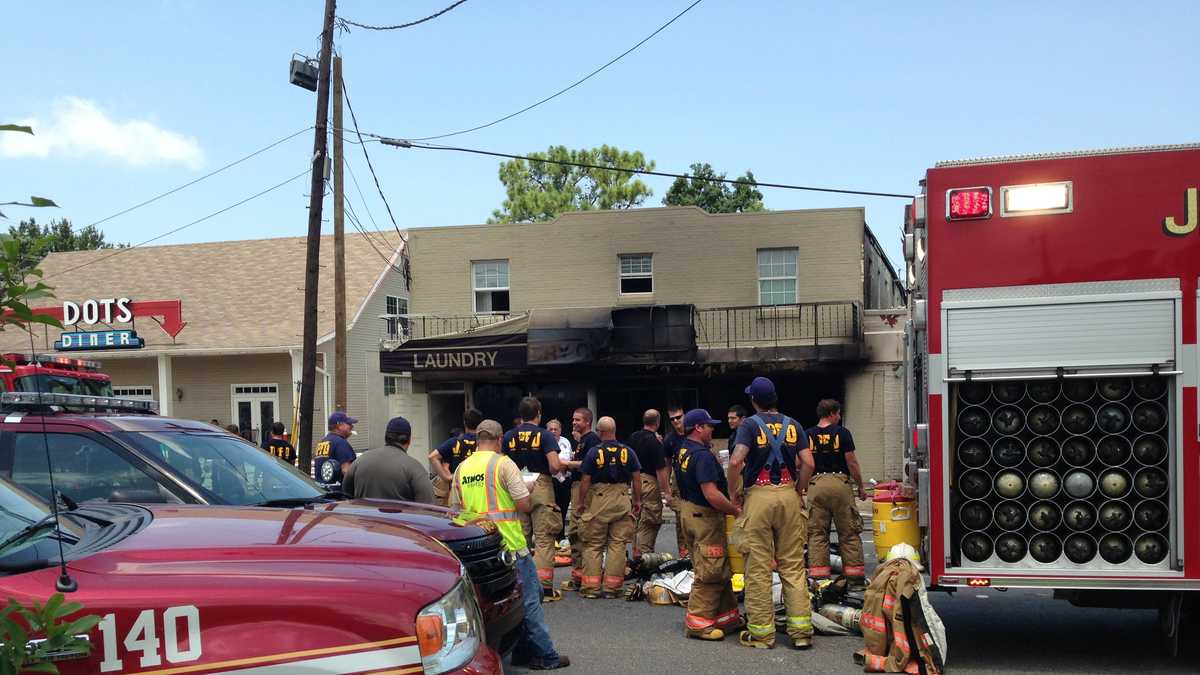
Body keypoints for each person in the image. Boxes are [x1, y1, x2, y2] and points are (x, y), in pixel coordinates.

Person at [451, 419, 570, 671]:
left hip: (479, 547)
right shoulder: (503, 464)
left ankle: (521, 650)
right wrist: (527, 488)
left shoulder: (461, 468)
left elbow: (455, 509)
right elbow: (524, 504)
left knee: (503, 601)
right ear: (500, 438)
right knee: (530, 598)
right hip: (510, 545)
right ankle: (545, 655)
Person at [728, 376, 815, 650]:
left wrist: (734, 493)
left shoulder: (749, 425)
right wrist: (799, 490)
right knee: (793, 566)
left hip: (759, 497)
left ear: (754, 401)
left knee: (758, 569)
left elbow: (735, 461)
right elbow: (809, 463)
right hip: (789, 496)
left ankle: (763, 635)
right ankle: (801, 632)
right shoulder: (794, 425)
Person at [677, 409, 743, 641]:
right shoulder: (702, 456)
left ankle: (727, 617)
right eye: (709, 426)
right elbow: (712, 494)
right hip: (705, 517)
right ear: (698, 428)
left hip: (689, 512)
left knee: (716, 565)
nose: (712, 430)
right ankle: (698, 623)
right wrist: (735, 510)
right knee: (711, 569)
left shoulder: (683, 449)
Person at [503, 397, 568, 601]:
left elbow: (503, 465)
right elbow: (554, 466)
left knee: (519, 538)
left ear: (521, 415)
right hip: (541, 485)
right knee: (544, 538)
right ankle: (544, 588)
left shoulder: (509, 436)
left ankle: (519, 587)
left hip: (516, 486)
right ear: (538, 413)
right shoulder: (545, 435)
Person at [576, 416, 641, 599]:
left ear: (600, 432)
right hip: (621, 498)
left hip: (599, 499)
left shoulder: (593, 452)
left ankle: (591, 588)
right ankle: (613, 588)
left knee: (593, 545)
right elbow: (637, 478)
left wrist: (581, 503)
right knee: (617, 545)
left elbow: (585, 480)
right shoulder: (628, 451)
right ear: (614, 431)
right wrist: (637, 501)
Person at [806, 399, 868, 588]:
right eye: (839, 414)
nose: (839, 418)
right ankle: (855, 579)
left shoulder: (808, 434)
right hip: (840, 484)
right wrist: (861, 487)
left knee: (817, 533)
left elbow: (802, 463)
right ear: (832, 413)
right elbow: (852, 463)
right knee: (849, 533)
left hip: (816, 484)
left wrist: (801, 486)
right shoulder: (843, 433)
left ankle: (819, 580)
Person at [343, 416, 435, 504]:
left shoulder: (360, 460)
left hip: (363, 519)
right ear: (409, 440)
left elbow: (346, 493)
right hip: (397, 520)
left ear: (386, 437)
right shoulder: (414, 467)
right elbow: (428, 505)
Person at [560, 407, 600, 593]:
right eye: (573, 419)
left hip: (583, 489)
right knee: (575, 532)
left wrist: (566, 464)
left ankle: (584, 575)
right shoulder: (582, 441)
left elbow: (588, 465)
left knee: (580, 530)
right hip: (576, 487)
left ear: (588, 422)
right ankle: (577, 575)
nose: (574, 422)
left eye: (578, 420)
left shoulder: (592, 440)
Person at [627, 409, 671, 557]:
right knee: (650, 520)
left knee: (637, 518)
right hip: (649, 483)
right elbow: (660, 469)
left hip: (635, 482)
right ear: (657, 422)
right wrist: (667, 491)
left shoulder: (633, 437)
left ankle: (636, 552)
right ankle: (645, 555)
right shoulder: (655, 441)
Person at [429, 409, 482, 506]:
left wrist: (447, 478)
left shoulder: (455, 442)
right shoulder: (484, 443)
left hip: (458, 493)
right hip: (480, 490)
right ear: (480, 424)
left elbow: (432, 457)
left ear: (464, 423)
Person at [663, 403, 692, 557]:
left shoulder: (694, 432)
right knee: (680, 517)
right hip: (678, 480)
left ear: (684, 415)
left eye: (678, 417)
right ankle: (683, 548)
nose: (676, 421)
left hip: (696, 479)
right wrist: (666, 488)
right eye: (672, 419)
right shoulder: (670, 439)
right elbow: (666, 464)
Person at [314, 411, 358, 485]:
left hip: (321, 490)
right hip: (337, 493)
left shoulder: (322, 442)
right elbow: (346, 471)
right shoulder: (341, 443)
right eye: (348, 424)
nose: (352, 426)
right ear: (339, 425)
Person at [546, 419, 574, 534]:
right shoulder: (544, 441)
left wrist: (563, 463)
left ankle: (561, 537)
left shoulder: (566, 441)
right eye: (550, 429)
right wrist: (561, 463)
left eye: (555, 429)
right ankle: (551, 537)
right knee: (551, 511)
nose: (553, 431)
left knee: (563, 509)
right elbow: (554, 464)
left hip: (565, 481)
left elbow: (569, 460)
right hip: (551, 481)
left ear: (560, 430)